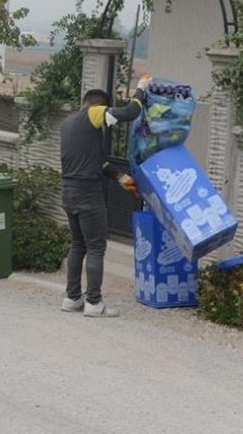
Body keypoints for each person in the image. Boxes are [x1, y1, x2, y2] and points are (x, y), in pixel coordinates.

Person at [60, 76, 150, 317]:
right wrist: (141, 89)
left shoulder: (68, 123)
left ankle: (72, 298)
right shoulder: (94, 113)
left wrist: (121, 177)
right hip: (87, 194)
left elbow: (97, 162)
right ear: (98, 105)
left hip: (68, 192)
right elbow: (131, 112)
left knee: (78, 244)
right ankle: (94, 302)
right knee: (97, 247)